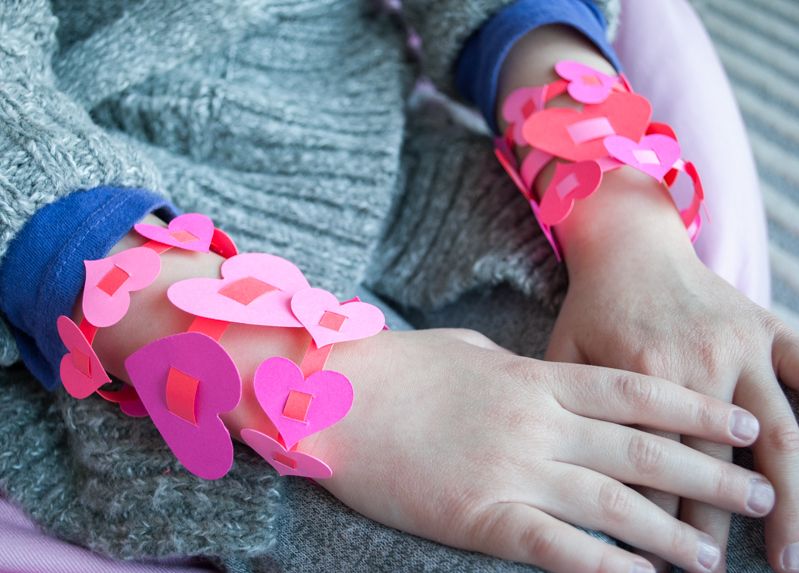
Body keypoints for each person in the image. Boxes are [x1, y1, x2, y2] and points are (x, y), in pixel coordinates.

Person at [0, 1, 796, 572]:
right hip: (96, 295)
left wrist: (627, 226)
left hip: (390, 143)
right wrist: (332, 383)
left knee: (748, 439)